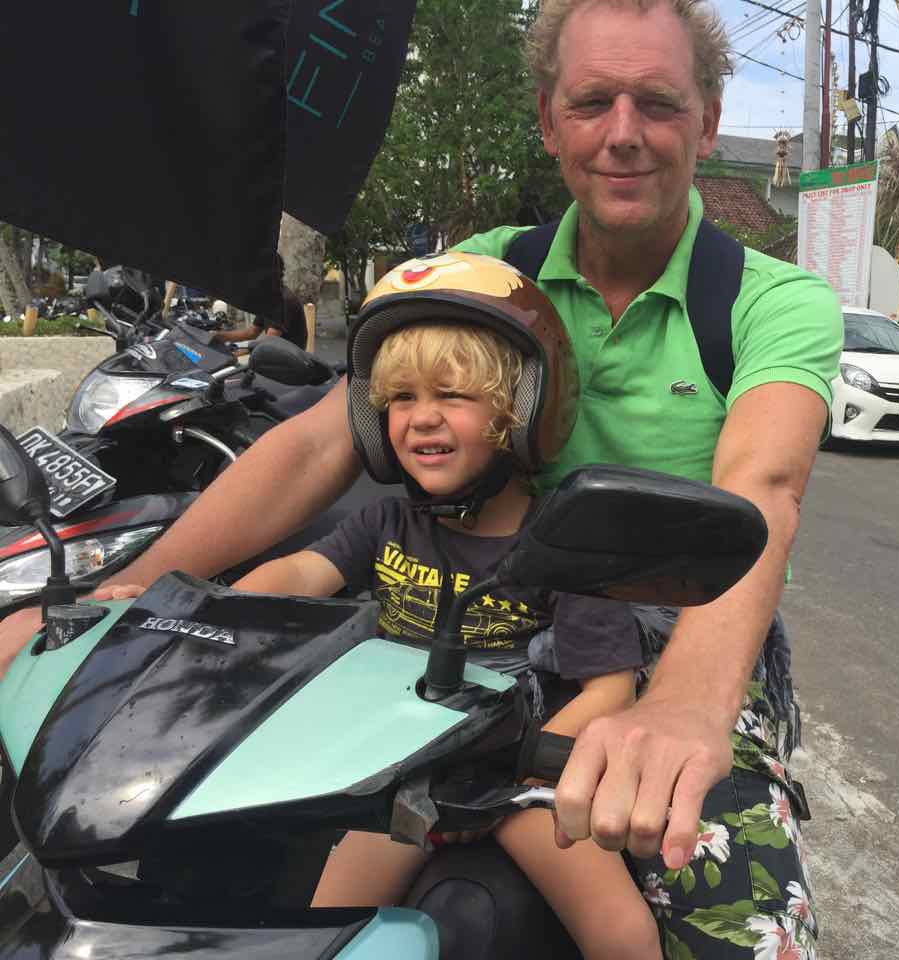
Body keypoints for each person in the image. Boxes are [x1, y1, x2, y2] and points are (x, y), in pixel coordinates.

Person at [8, 1, 840, 955]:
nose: (623, 133)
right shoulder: (482, 275)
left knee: (739, 923)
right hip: (465, 631)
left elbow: (763, 487)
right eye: (592, 101)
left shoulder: (772, 302)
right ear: (549, 120)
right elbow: (316, 445)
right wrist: (136, 590)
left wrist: (684, 706)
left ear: (709, 117)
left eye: (657, 102)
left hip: (676, 643)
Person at [110, 255, 660, 959]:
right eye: (400, 398)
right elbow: (300, 574)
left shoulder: (558, 545)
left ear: (521, 411)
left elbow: (609, 692)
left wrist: (509, 772)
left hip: (518, 773)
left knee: (619, 932)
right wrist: (193, 604)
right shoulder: (388, 523)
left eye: (453, 395)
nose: (421, 416)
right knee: (330, 924)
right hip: (404, 774)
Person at [212, 253, 308, 350]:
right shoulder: (268, 298)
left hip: (288, 357)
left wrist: (240, 351)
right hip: (277, 352)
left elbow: (269, 342)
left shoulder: (283, 300)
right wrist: (219, 336)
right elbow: (252, 332)